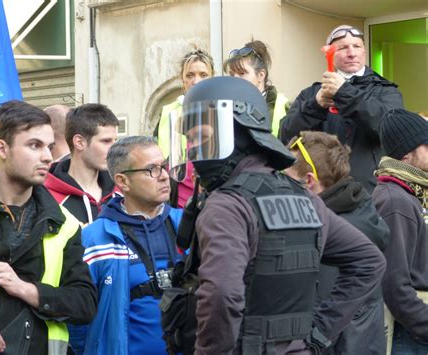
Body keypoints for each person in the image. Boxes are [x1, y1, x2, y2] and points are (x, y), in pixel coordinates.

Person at [167, 76, 386, 354]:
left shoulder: (228, 205)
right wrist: (318, 334)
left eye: (202, 137)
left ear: (238, 134)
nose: (192, 150)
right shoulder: (305, 198)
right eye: (189, 140)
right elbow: (370, 261)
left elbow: (222, 295)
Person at [0, 100, 97, 355]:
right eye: (35, 145)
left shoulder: (65, 223)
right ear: (2, 148)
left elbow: (84, 304)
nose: (48, 157)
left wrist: (25, 289)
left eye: (50, 147)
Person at [69, 136, 183, 354]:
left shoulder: (188, 227)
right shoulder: (95, 238)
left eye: (164, 167)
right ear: (122, 181)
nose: (164, 177)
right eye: (152, 170)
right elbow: (78, 319)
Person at [285, 131, 389, 354]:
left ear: (309, 181)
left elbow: (320, 319)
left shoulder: (330, 232)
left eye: (286, 178)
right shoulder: (362, 211)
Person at [280, 25, 404, 193]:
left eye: (357, 46)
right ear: (330, 54)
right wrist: (315, 106)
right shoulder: (311, 94)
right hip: (321, 192)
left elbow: (390, 130)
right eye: (343, 47)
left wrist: (344, 92)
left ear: (364, 51)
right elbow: (285, 137)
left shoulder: (386, 90)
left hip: (371, 191)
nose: (352, 53)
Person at [372, 109, 428, 354]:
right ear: (407, 154)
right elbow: (394, 286)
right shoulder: (397, 201)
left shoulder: (414, 193)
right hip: (412, 336)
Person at [155, 48, 215, 208]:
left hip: (214, 202)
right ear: (183, 81)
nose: (196, 81)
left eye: (203, 75)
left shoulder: (222, 112)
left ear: (212, 78)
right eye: (190, 75)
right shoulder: (169, 112)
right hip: (178, 203)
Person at [45, 103, 119, 226]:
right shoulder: (48, 197)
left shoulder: (121, 191)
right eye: (106, 141)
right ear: (79, 142)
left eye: (115, 141)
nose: (114, 149)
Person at [224, 39, 289, 137]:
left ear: (261, 75)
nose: (235, 79)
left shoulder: (283, 106)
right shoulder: (226, 108)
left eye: (242, 73)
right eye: (232, 74)